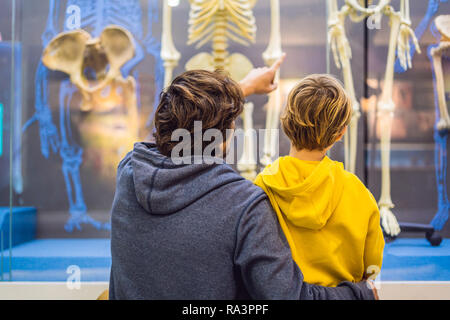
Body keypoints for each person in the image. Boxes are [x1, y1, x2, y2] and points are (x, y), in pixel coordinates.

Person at [109, 58, 377, 299]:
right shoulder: (244, 205)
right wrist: (360, 295)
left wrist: (245, 87)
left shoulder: (129, 173)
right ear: (223, 139)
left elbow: (167, 134)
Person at [254, 74, 385, 287]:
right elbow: (372, 266)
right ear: (341, 133)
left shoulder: (263, 186)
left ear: (286, 121)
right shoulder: (357, 192)